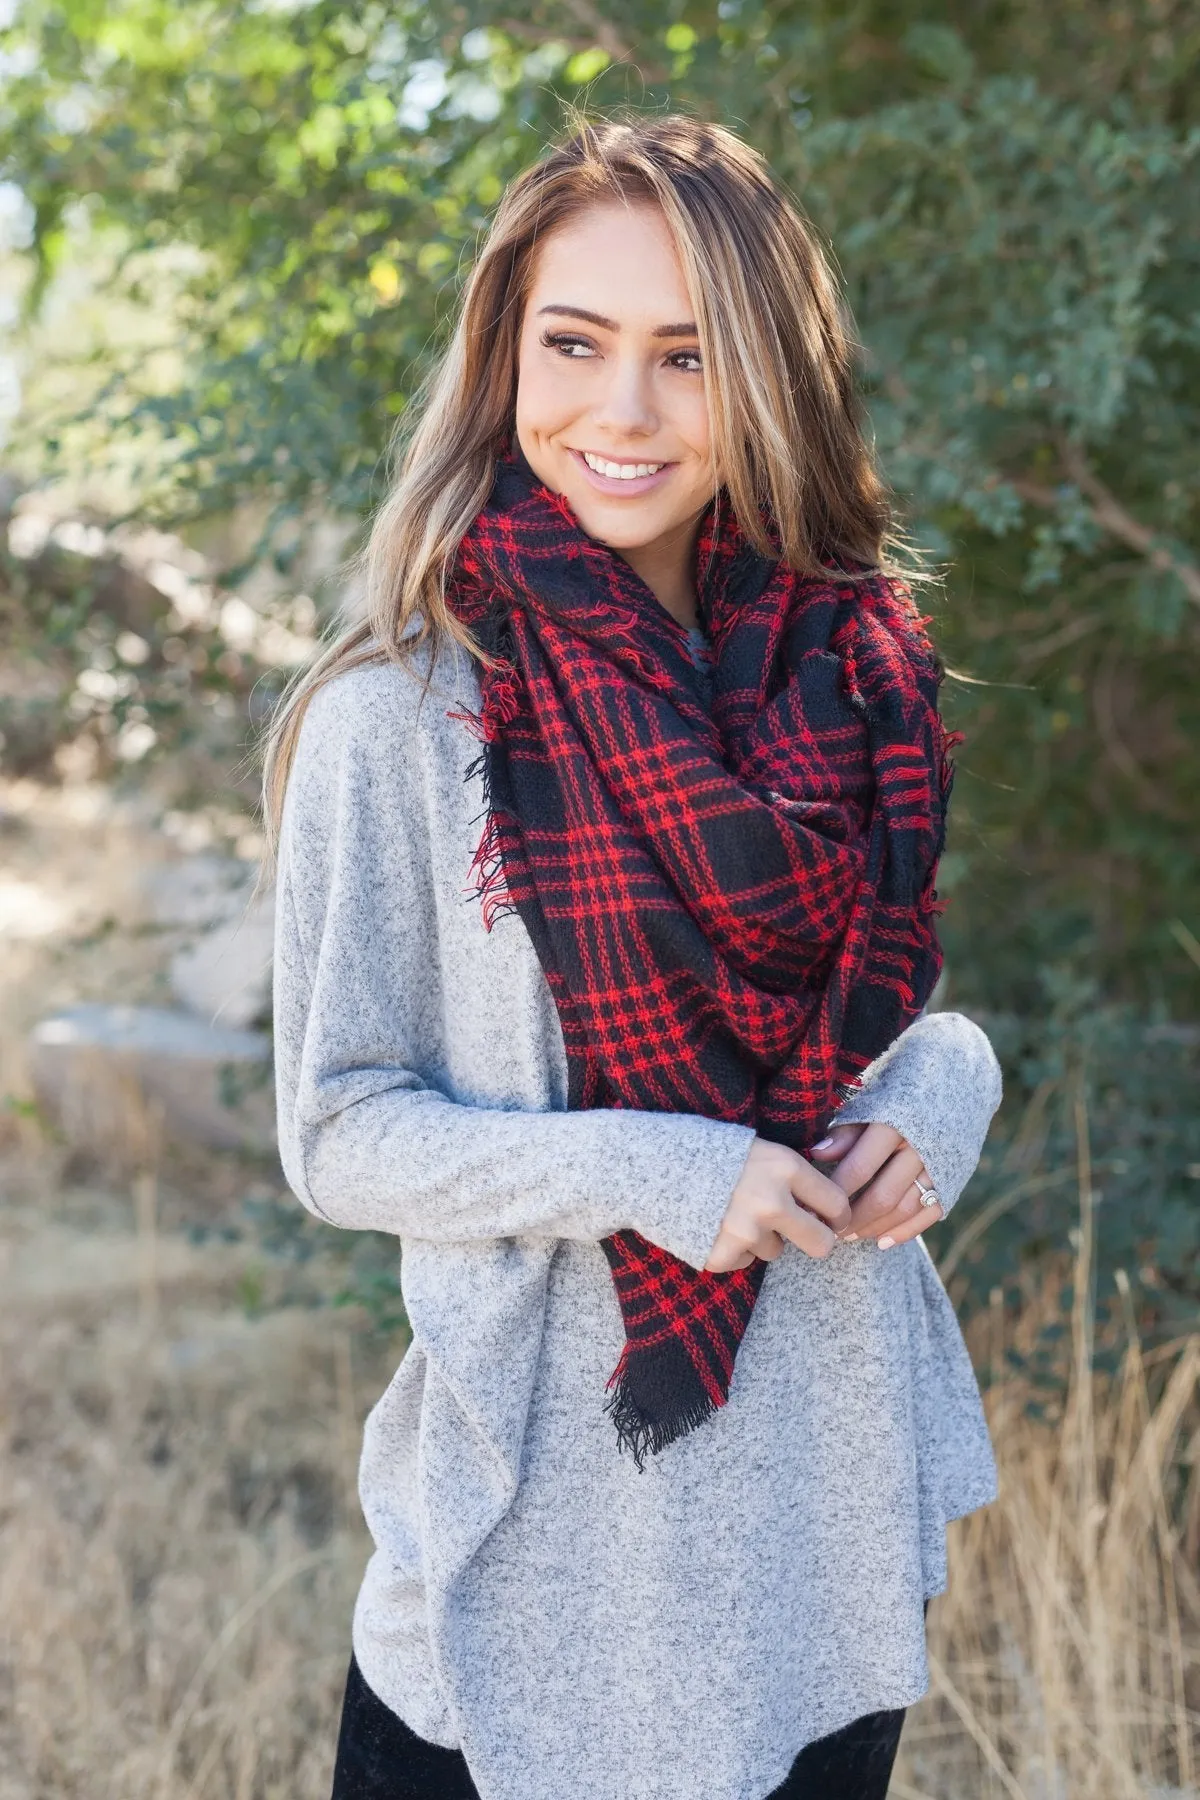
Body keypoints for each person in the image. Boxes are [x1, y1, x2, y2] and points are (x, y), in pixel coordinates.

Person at [266, 114, 1003, 1800]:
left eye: (691, 355)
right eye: (575, 344)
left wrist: (949, 1092)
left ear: (769, 379)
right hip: (542, 1570)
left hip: (813, 1530)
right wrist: (667, 1174)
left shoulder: (853, 670)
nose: (623, 411)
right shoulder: (397, 716)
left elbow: (888, 1032)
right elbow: (340, 1133)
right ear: (502, 353)